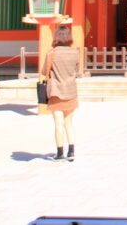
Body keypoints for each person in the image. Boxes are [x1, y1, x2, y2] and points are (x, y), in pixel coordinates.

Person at [42, 25, 82, 161]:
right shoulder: (75, 53)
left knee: (58, 123)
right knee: (69, 123)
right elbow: (77, 71)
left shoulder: (51, 53)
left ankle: (60, 153)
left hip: (56, 92)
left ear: (56, 37)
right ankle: (71, 152)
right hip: (71, 91)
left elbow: (44, 71)